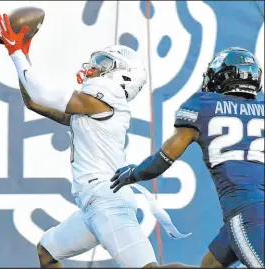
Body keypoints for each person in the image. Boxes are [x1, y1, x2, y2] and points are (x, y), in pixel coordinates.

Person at [0, 13, 197, 268]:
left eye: (104, 62)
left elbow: (41, 93)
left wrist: (16, 52)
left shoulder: (105, 97)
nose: (95, 66)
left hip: (107, 203)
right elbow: (34, 102)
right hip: (93, 205)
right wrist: (23, 53)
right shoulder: (92, 112)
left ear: (122, 75)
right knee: (46, 252)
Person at [110, 47, 265, 268]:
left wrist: (134, 173)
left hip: (247, 213)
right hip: (250, 211)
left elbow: (163, 160)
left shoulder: (203, 106)